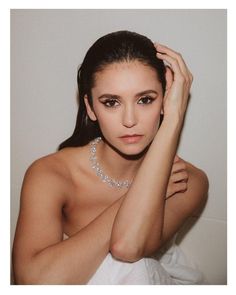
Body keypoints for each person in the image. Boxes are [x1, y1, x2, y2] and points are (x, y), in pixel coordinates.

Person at [12, 30, 209, 285]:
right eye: (111, 102)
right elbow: (33, 283)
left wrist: (174, 118)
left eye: (145, 100)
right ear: (91, 107)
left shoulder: (187, 181)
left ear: (165, 101)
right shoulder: (51, 174)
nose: (129, 120)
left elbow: (128, 247)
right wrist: (141, 192)